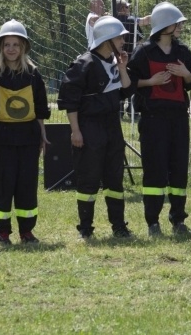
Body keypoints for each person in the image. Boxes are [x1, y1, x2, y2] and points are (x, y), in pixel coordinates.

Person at [57, 15, 135, 239]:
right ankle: (85, 228)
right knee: (89, 178)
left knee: (114, 178)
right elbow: (70, 102)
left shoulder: (114, 63)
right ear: (107, 39)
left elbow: (127, 91)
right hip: (89, 127)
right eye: (119, 37)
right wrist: (76, 130)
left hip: (112, 127)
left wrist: (122, 68)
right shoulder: (84, 63)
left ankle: (119, 226)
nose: (123, 42)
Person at [127, 2, 191, 237]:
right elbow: (128, 83)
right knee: (155, 171)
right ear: (163, 26)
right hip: (152, 120)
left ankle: (178, 220)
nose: (180, 27)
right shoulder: (144, 51)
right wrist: (151, 82)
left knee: (178, 170)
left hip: (179, 119)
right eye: (176, 23)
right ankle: (152, 222)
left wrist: (185, 74)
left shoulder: (183, 52)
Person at [0, 20, 51, 245]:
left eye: (16, 45)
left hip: (28, 138)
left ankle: (26, 231)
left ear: (24, 48)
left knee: (27, 185)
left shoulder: (33, 74)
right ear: (0, 47)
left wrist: (42, 135)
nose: (11, 49)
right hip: (2, 139)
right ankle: (2, 232)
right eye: (7, 44)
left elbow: (40, 108)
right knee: (3, 184)